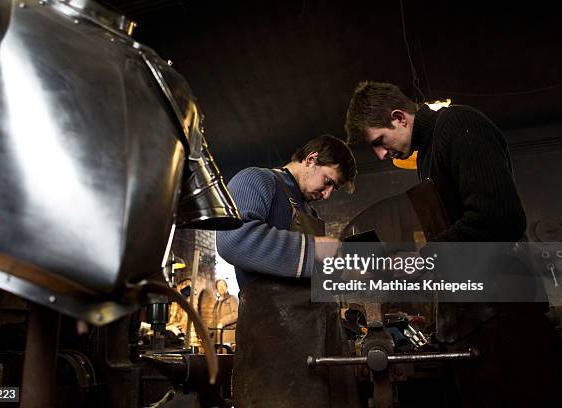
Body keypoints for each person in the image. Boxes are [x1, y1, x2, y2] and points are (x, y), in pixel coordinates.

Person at [345, 81, 561, 407]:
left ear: (399, 117)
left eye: (379, 141)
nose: (382, 154)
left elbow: (499, 218)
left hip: (506, 316)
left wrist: (422, 259)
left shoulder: (458, 124)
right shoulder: (427, 156)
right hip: (476, 320)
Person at [216, 135, 360, 408]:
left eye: (334, 189)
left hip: (318, 348)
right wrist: (313, 250)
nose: (327, 194)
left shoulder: (307, 210)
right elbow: (233, 239)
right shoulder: (256, 181)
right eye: (328, 181)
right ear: (311, 159)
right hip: (273, 352)